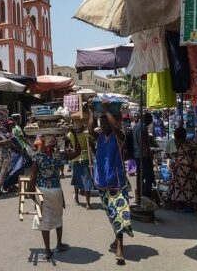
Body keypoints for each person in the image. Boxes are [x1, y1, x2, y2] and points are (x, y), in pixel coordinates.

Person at [89, 101, 132, 265]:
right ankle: (117, 238)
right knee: (111, 214)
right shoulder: (99, 137)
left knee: (119, 213)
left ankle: (120, 247)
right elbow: (89, 129)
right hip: (102, 182)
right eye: (102, 122)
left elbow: (117, 128)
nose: (104, 125)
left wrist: (106, 111)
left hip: (117, 182)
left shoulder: (120, 136)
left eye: (107, 122)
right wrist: (93, 112)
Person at [29, 132, 81, 261]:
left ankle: (47, 251)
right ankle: (59, 243)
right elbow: (77, 152)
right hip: (56, 190)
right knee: (58, 217)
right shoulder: (59, 155)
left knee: (44, 220)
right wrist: (74, 135)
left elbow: (33, 176)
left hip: (43, 190)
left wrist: (30, 193)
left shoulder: (37, 157)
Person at [167, 127, 197, 211]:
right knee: (190, 185)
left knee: (177, 186)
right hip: (188, 167)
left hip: (177, 167)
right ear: (185, 135)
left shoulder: (172, 143)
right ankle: (190, 203)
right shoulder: (191, 143)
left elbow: (168, 156)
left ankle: (179, 204)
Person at [67, 121, 94, 209]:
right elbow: (90, 145)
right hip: (85, 158)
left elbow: (69, 144)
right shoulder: (86, 135)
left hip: (75, 159)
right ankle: (88, 203)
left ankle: (77, 198)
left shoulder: (70, 135)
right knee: (87, 180)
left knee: (76, 179)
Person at [132, 112, 155, 204]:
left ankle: (139, 194)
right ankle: (146, 195)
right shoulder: (143, 127)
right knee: (149, 176)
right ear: (148, 119)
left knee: (140, 175)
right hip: (143, 155)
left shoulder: (136, 126)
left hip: (137, 154)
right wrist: (149, 151)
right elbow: (144, 141)